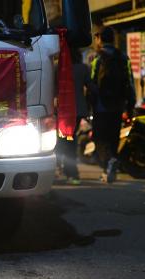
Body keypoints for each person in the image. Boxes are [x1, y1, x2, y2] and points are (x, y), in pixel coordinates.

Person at [90, 26, 135, 183]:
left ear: (100, 39)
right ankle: (109, 170)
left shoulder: (97, 58)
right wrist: (130, 106)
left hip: (101, 107)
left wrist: (90, 104)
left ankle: (108, 164)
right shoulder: (123, 58)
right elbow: (130, 82)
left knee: (99, 139)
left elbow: (92, 84)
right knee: (113, 138)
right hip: (117, 106)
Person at [56, 48, 92, 185]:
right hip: (78, 110)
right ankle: (71, 172)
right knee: (71, 140)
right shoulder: (83, 68)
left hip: (62, 110)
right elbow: (90, 87)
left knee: (62, 141)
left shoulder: (58, 67)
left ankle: (63, 169)